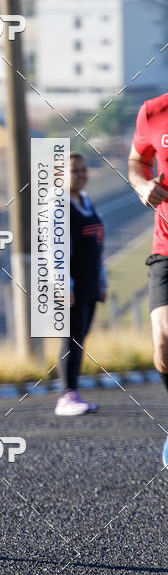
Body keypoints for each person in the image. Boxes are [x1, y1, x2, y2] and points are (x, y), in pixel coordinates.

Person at [128, 95, 168, 465]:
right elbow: (137, 160)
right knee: (164, 344)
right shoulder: (153, 111)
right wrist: (142, 185)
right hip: (165, 246)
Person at [55, 153, 107, 416]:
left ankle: (73, 391)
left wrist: (102, 280)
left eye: (83, 169)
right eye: (74, 170)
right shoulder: (58, 207)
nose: (81, 175)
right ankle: (67, 395)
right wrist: (65, 286)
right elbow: (54, 251)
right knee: (71, 339)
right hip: (71, 288)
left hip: (90, 285)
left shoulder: (86, 202)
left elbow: (96, 246)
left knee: (80, 339)